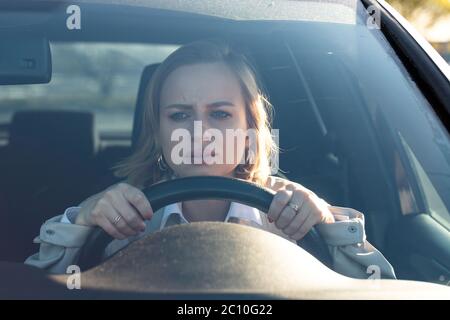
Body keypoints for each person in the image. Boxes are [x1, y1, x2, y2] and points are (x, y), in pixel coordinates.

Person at [25, 39, 395, 279]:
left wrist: (327, 227)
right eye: (180, 115)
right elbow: (36, 288)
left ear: (250, 126)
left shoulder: (289, 215)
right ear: (158, 132)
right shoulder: (121, 218)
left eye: (219, 114)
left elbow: (375, 288)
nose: (199, 132)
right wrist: (84, 221)